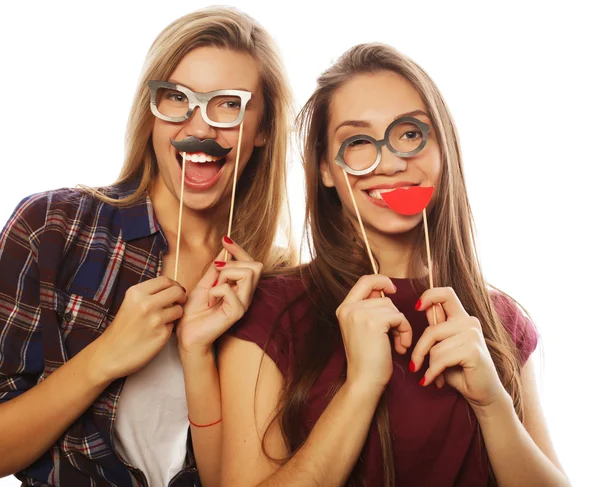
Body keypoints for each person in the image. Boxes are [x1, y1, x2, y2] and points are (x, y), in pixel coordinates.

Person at [219, 43, 570, 486]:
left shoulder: (500, 323)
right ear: (326, 169)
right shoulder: (272, 312)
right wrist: (362, 386)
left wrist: (493, 405)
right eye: (359, 142)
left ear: (443, 149)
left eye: (409, 134)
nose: (390, 161)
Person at [0, 7, 295, 487]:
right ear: (152, 111)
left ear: (263, 128)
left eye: (228, 105)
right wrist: (104, 356)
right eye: (177, 98)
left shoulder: (279, 285)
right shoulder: (53, 228)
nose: (199, 128)